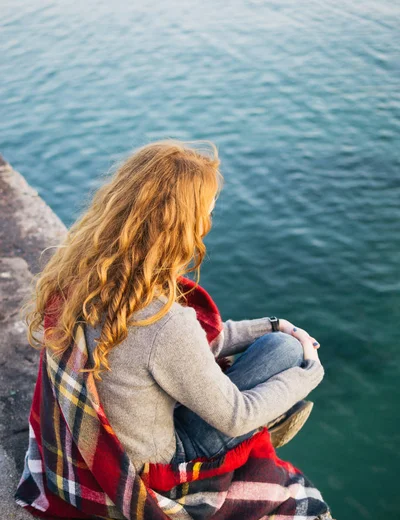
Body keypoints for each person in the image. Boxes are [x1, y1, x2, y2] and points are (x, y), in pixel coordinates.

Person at [23, 138, 324, 475]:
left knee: (280, 342)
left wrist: (274, 324)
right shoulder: (160, 319)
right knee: (284, 357)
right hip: (151, 462)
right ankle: (261, 430)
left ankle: (272, 406)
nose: (210, 219)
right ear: (183, 223)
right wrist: (309, 374)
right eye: (208, 210)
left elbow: (188, 348)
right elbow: (236, 415)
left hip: (94, 441)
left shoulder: (87, 275)